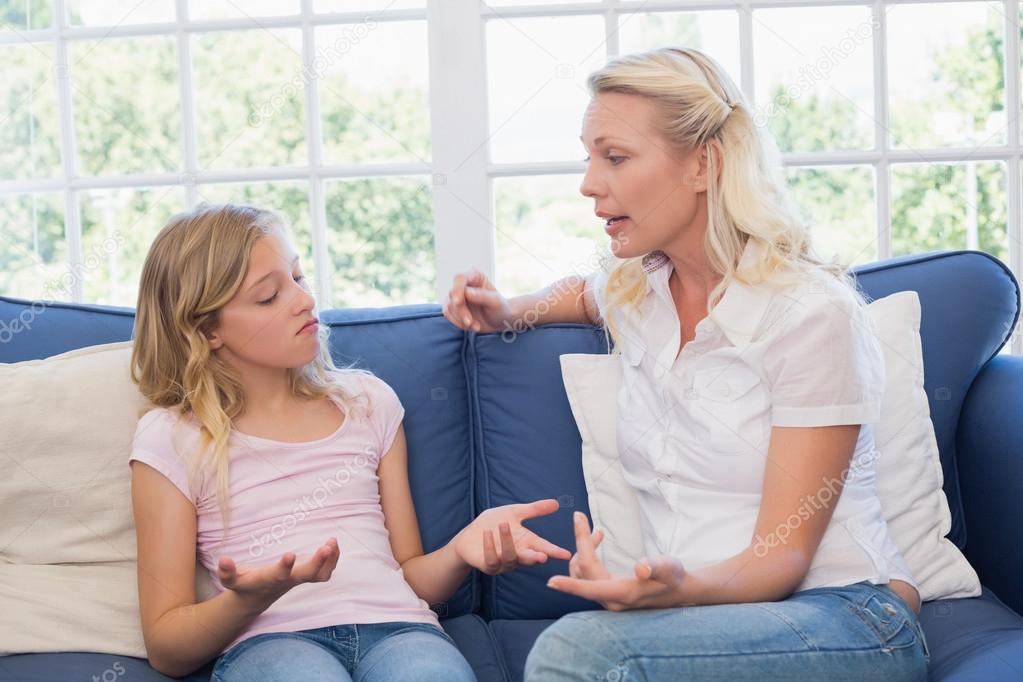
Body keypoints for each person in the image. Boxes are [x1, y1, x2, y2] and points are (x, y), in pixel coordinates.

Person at [443, 47, 929, 681]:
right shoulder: (639, 290)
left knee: (579, 650)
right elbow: (582, 294)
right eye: (589, 158)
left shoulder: (812, 314)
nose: (590, 183)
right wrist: (509, 311)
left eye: (614, 157)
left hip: (845, 615)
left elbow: (780, 559)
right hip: (700, 621)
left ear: (703, 164)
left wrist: (676, 590)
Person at [128, 203, 571, 681]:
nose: (303, 301)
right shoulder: (173, 438)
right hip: (272, 642)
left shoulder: (366, 401)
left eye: (298, 277)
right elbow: (167, 647)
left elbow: (410, 577)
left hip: (402, 630)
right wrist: (250, 599)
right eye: (268, 297)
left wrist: (462, 550)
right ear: (206, 329)